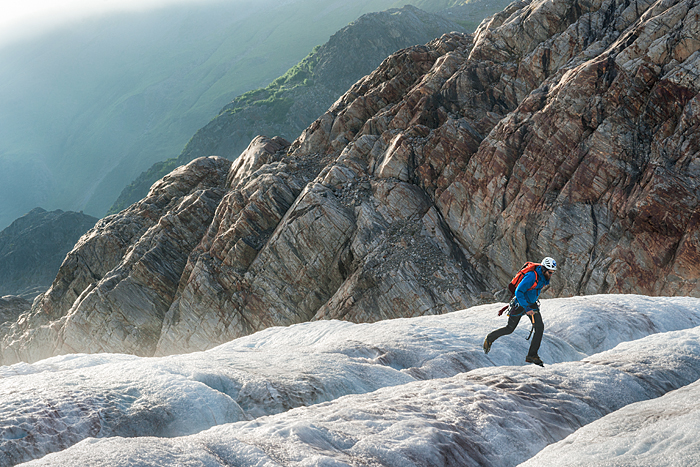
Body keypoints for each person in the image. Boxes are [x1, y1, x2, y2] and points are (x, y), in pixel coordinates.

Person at [483, 257, 557, 366]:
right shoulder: (531, 276)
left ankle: (532, 355)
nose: (551, 275)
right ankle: (490, 338)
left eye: (552, 273)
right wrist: (526, 307)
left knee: (539, 328)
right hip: (520, 305)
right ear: (544, 269)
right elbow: (519, 292)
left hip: (532, 304)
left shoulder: (543, 276)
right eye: (550, 272)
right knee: (509, 329)